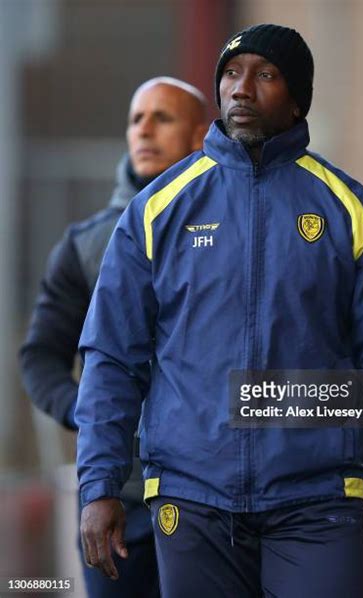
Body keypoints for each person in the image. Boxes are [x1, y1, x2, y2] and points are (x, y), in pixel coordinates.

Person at [76, 24, 363, 598]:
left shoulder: (352, 214)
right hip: (191, 502)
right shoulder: (156, 211)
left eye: (264, 75)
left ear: (296, 101)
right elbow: (112, 358)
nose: (241, 88)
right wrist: (98, 487)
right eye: (231, 74)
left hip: (317, 502)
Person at [20, 76, 207, 597]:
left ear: (200, 136)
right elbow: (39, 357)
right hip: (116, 499)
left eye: (162, 118)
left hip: (210, 496)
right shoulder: (85, 246)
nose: (144, 129)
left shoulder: (236, 234)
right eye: (135, 118)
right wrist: (93, 412)